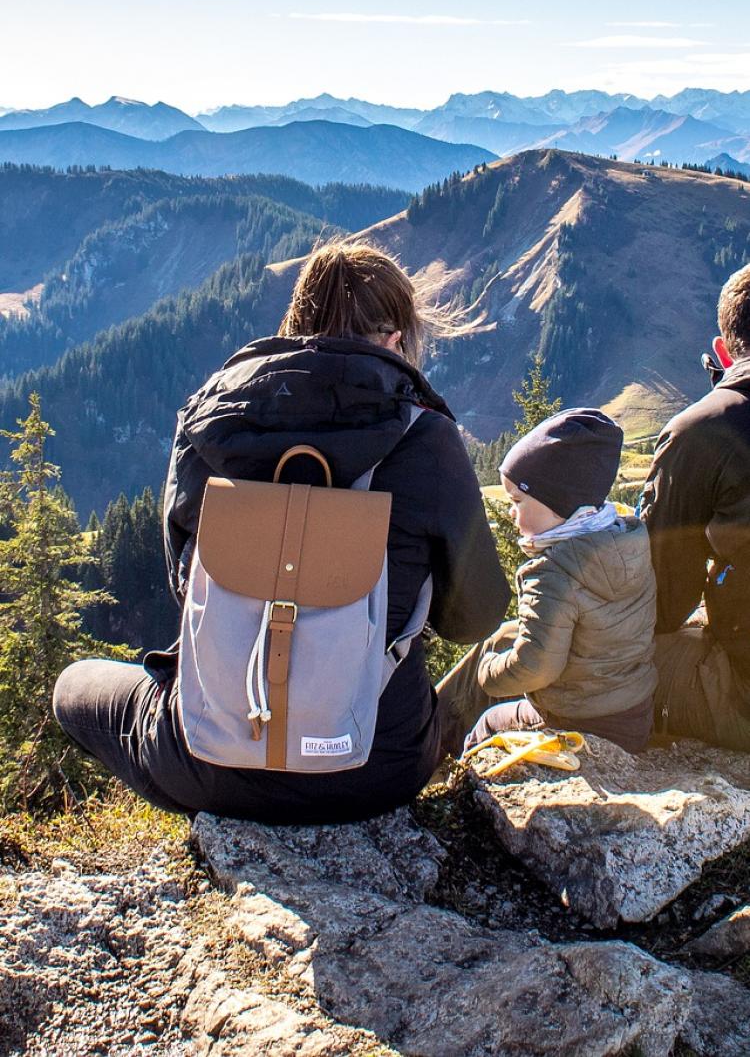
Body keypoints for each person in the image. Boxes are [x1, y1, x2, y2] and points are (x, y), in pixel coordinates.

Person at [53, 242, 509, 822]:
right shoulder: (427, 440)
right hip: (374, 766)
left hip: (207, 762)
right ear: (395, 339)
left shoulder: (210, 421)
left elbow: (185, 585)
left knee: (75, 686)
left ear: (296, 324)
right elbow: (474, 616)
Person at [437, 408, 657, 756]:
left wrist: (487, 674)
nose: (511, 512)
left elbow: (535, 667)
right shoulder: (627, 542)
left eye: (518, 501)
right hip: (633, 715)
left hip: (578, 722)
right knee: (501, 638)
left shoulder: (553, 571)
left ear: (558, 505)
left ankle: (453, 784)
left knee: (490, 722)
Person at [640, 262, 750, 751]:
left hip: (742, 697)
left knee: (514, 656)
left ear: (724, 350)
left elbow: (663, 602)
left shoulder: (705, 429)